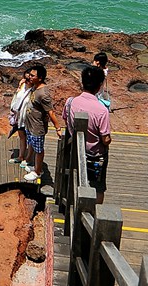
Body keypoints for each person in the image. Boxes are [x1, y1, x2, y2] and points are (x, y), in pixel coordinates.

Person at [63, 65, 112, 203]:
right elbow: (105, 139)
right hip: (95, 156)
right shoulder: (102, 110)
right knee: (98, 187)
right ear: (100, 86)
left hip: (75, 152)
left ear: (82, 82)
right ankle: (95, 211)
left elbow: (66, 121)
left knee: (74, 177)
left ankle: (72, 202)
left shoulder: (70, 102)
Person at [22, 64, 63, 183]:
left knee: (39, 150)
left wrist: (57, 128)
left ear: (40, 78)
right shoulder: (35, 86)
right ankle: (34, 165)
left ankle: (38, 171)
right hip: (30, 124)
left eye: (33, 76)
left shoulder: (43, 94)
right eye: (30, 75)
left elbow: (50, 112)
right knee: (32, 145)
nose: (30, 77)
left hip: (37, 127)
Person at [8, 70, 31, 165]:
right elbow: (17, 98)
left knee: (30, 138)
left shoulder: (34, 90)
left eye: (29, 79)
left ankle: (28, 159)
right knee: (22, 137)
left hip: (28, 118)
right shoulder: (22, 86)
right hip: (19, 117)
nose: (27, 80)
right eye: (26, 78)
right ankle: (21, 156)